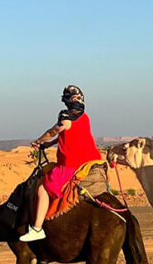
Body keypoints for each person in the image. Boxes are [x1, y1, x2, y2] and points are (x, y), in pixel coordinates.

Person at [20, 85, 103, 242]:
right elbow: (68, 136)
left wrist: (39, 141)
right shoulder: (84, 118)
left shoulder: (66, 117)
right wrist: (49, 144)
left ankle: (37, 229)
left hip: (71, 165)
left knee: (42, 188)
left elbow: (54, 131)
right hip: (91, 161)